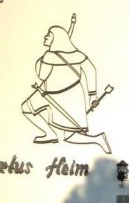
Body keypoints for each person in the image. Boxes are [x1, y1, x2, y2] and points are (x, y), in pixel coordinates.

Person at [21, 20, 111, 154]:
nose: (45, 37)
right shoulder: (77, 55)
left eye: (49, 35)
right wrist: (92, 94)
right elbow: (90, 70)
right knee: (27, 107)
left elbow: (41, 75)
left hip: (68, 97)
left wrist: (92, 94)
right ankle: (50, 133)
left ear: (56, 39)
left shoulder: (49, 56)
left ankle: (98, 139)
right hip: (49, 94)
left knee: (69, 135)